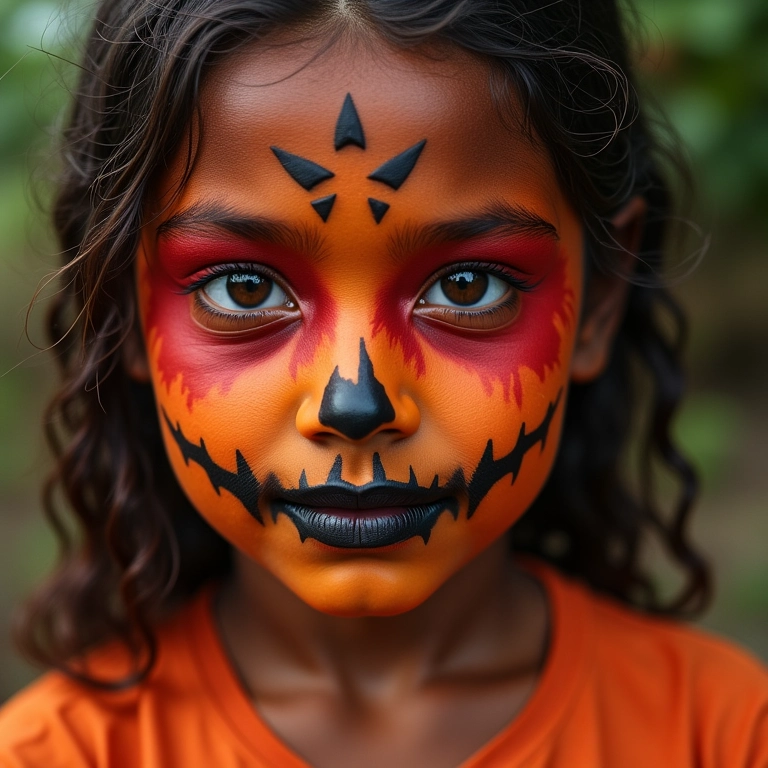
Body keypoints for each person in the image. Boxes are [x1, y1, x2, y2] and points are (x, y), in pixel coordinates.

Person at [0, 0, 766, 766]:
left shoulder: (725, 736)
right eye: (243, 289)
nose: (355, 405)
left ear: (596, 301)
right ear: (128, 310)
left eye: (468, 287)